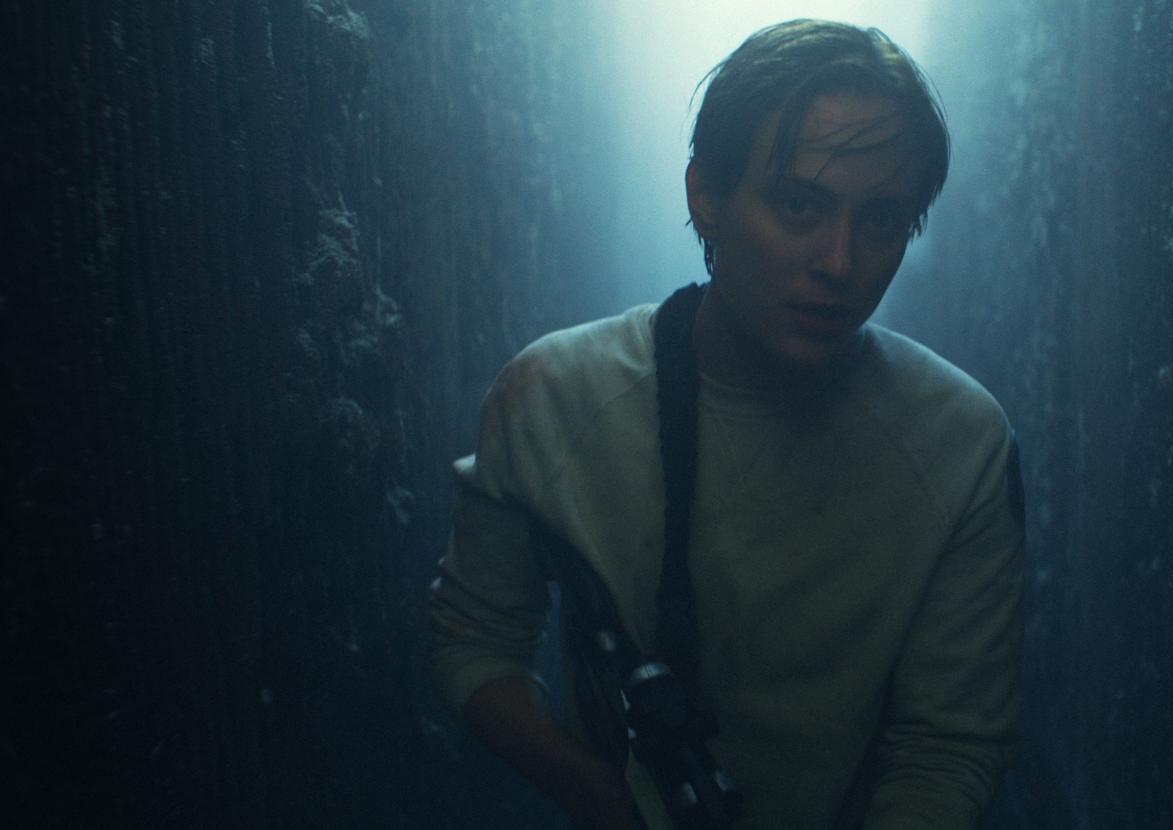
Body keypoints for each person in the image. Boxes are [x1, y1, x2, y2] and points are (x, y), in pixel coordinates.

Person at [429, 19, 1022, 829]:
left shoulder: (961, 445)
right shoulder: (555, 396)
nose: (839, 262)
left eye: (881, 221)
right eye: (798, 205)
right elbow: (473, 636)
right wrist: (593, 791)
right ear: (706, 195)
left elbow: (947, 747)